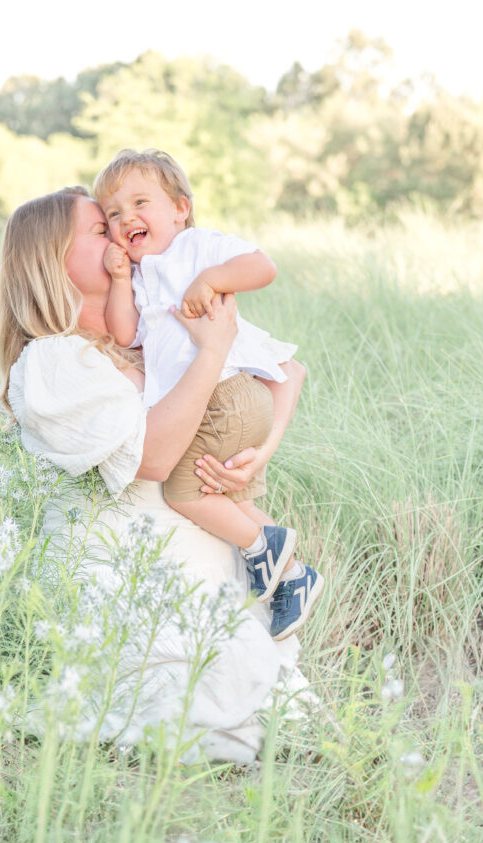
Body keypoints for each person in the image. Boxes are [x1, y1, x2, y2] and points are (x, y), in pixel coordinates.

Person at [0, 185, 318, 765]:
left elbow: (288, 370)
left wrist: (259, 451)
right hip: (132, 583)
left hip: (207, 578)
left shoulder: (152, 331)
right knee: (209, 721)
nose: (120, 234)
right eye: (100, 228)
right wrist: (210, 353)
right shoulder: (52, 362)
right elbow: (156, 459)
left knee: (270, 718)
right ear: (50, 260)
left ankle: (276, 570)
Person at [94, 149, 323, 639]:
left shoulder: (196, 247)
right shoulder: (138, 276)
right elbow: (123, 332)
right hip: (213, 403)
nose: (126, 218)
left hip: (227, 394)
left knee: (183, 491)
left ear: (180, 207)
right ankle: (294, 578)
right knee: (222, 493)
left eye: (140, 203)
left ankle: (266, 544)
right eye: (113, 214)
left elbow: (263, 266)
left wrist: (213, 278)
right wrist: (117, 279)